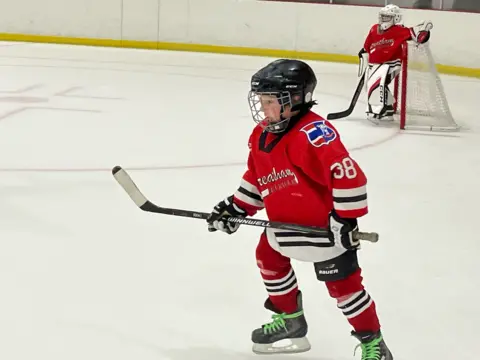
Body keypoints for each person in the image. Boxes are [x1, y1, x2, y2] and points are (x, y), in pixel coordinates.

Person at [206, 58, 393, 360]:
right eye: (262, 101)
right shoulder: (261, 135)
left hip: (324, 231)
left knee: (344, 289)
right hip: (284, 228)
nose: (264, 109)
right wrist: (235, 209)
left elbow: (349, 176)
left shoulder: (314, 133)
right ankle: (291, 319)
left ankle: (374, 343)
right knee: (267, 256)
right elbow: (258, 177)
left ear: (296, 99)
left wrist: (345, 221)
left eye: (271, 102)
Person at [359, 4, 432, 123]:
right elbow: (367, 45)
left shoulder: (399, 30)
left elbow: (417, 36)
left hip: (391, 64)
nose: (383, 20)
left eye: (387, 17)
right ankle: (387, 108)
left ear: (396, 18)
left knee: (378, 83)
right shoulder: (374, 29)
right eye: (382, 17)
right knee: (372, 84)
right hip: (375, 64)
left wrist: (424, 31)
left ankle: (381, 107)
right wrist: (364, 52)